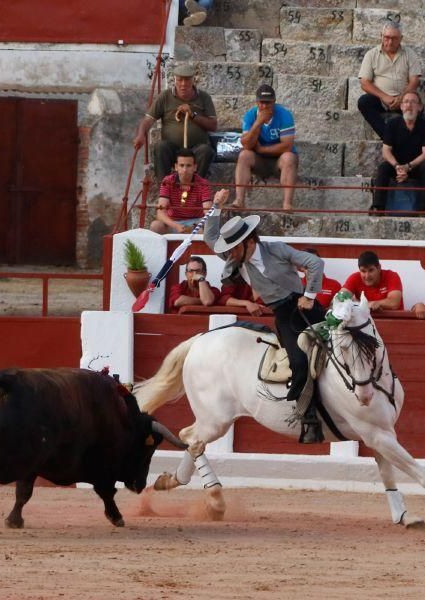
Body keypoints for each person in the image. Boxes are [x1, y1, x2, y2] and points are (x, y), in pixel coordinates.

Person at [205, 188, 326, 443]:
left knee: (343, 343)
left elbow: (316, 263)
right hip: (283, 312)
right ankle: (307, 416)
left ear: (249, 242)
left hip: (305, 305)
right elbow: (210, 237)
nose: (229, 254)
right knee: (298, 361)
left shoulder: (277, 249)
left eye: (234, 248)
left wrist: (310, 295)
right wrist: (216, 206)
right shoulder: (236, 258)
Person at [132, 64, 217, 179]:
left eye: (187, 80)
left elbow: (213, 125)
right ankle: (164, 189)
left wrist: (192, 115)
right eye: (179, 79)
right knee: (160, 147)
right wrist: (141, 135)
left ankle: (196, 188)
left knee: (206, 150)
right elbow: (148, 119)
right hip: (173, 150)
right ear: (175, 80)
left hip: (195, 149)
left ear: (193, 80)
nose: (183, 84)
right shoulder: (165, 96)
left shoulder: (204, 97)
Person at [234, 84, 298, 210]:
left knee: (289, 158)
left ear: (274, 102)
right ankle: (239, 200)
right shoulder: (250, 115)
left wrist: (262, 149)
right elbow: (246, 145)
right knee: (244, 155)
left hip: (278, 160)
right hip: (259, 160)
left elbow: (287, 146)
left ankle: (287, 203)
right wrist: (258, 123)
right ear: (257, 102)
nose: (265, 106)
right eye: (262, 103)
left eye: (268, 103)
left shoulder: (285, 115)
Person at [370, 91, 425, 214]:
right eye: (406, 102)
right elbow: (386, 151)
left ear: (420, 107)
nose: (409, 105)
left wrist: (408, 167)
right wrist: (397, 166)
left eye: (413, 102)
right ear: (401, 106)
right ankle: (378, 207)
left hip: (415, 166)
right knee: (383, 167)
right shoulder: (392, 124)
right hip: (397, 165)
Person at [357, 21, 421, 139]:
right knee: (364, 102)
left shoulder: (409, 54)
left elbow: (414, 80)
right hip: (381, 99)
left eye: (394, 38)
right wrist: (384, 97)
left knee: (418, 107)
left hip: (403, 99)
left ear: (401, 38)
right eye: (386, 37)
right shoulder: (371, 54)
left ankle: (411, 139)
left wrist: (401, 98)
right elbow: (364, 83)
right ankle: (388, 137)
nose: (390, 42)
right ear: (381, 36)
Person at [150, 149, 213, 234]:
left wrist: (193, 227)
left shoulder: (203, 183)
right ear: (176, 167)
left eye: (188, 166)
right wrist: (175, 225)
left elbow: (207, 211)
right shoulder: (168, 181)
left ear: (195, 167)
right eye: (182, 165)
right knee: (156, 226)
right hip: (173, 222)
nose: (185, 170)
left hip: (196, 223)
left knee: (210, 226)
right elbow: (160, 212)